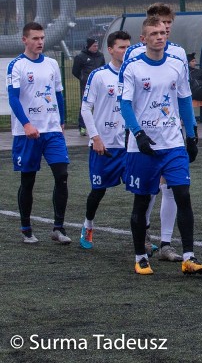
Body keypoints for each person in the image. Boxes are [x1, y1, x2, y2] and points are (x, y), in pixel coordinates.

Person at [119, 15, 202, 276]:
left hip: (172, 144)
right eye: (154, 33)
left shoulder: (177, 65)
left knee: (183, 195)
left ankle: (189, 257)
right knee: (142, 201)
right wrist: (138, 133)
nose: (160, 36)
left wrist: (191, 135)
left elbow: (185, 101)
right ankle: (140, 256)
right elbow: (124, 105)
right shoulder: (132, 67)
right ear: (143, 39)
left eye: (162, 32)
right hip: (143, 147)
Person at [125, 2, 188, 262]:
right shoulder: (134, 55)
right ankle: (145, 237)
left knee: (174, 189)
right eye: (161, 24)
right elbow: (129, 96)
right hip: (143, 133)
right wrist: (135, 131)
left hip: (172, 133)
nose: (165, 29)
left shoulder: (178, 54)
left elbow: (182, 94)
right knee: (148, 190)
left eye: (169, 24)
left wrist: (189, 130)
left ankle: (166, 243)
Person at [7, 22, 71, 244]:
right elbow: (13, 98)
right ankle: (26, 228)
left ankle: (58, 228)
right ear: (25, 40)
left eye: (42, 38)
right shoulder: (17, 66)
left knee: (62, 176)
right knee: (28, 181)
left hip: (52, 131)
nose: (40, 42)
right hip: (27, 134)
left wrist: (62, 121)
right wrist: (26, 124)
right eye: (35, 38)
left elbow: (59, 94)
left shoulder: (52, 64)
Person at [79, 30, 132, 249]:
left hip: (130, 146)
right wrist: (96, 137)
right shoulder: (99, 75)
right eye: (121, 47)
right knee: (98, 191)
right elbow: (85, 109)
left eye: (128, 46)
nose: (125, 51)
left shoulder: (134, 74)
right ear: (110, 50)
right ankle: (88, 225)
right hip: (104, 146)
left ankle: (145, 238)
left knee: (144, 192)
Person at [72, 37, 105, 136]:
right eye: (94, 46)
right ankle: (82, 126)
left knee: (99, 104)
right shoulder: (81, 57)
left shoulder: (100, 56)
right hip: (86, 85)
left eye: (97, 46)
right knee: (86, 105)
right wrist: (83, 78)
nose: (96, 48)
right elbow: (75, 71)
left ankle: (99, 125)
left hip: (99, 85)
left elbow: (103, 68)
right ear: (89, 46)